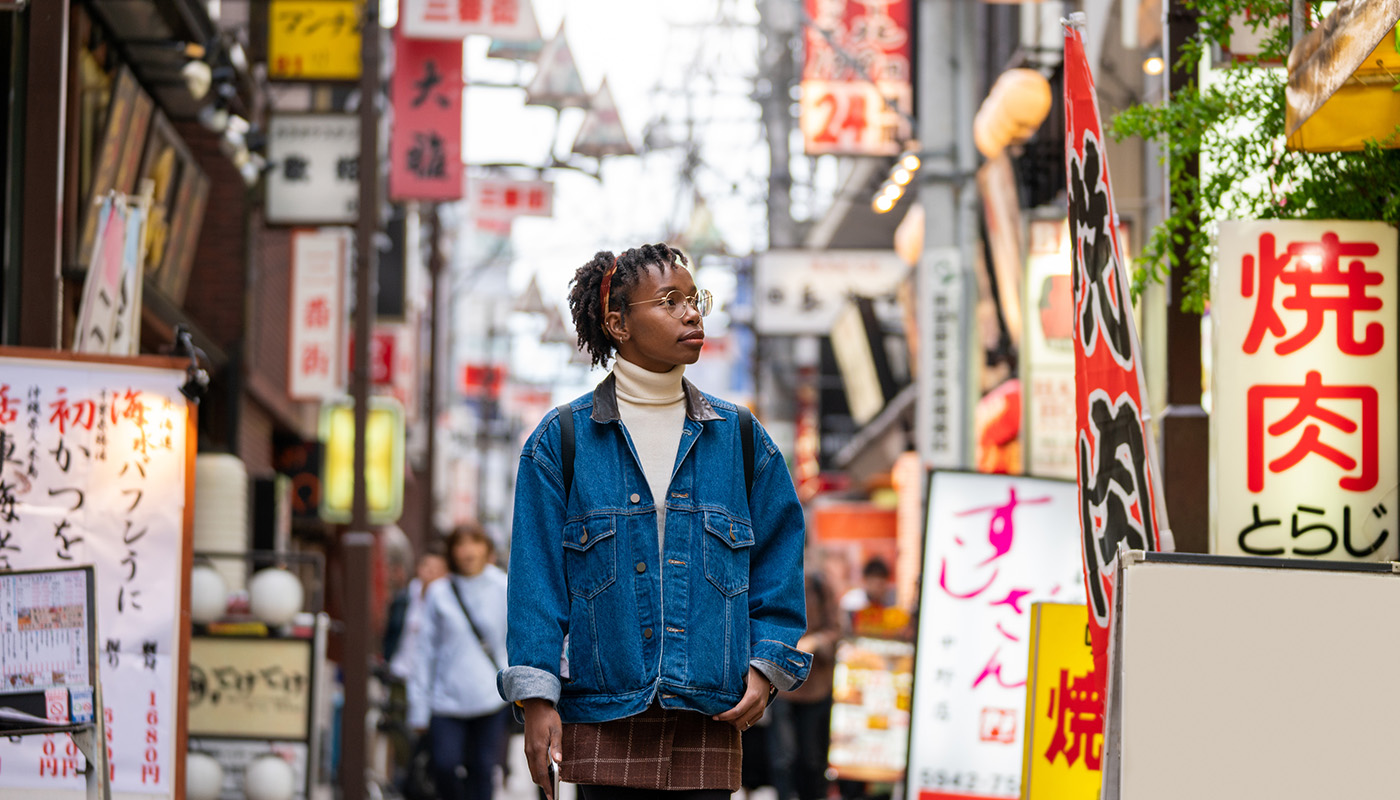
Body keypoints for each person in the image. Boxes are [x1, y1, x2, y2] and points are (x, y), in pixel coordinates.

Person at [498, 243, 812, 800]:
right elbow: (535, 582)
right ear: (618, 322)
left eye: (695, 299)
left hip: (710, 714)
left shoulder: (739, 438)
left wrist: (768, 667)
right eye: (670, 301)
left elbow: (779, 563)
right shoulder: (561, 441)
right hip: (603, 713)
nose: (692, 313)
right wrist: (538, 697)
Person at [409, 523, 509, 800]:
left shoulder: (503, 586)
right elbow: (424, 651)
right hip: (446, 698)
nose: (468, 551)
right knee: (443, 765)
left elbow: (515, 639)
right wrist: (418, 707)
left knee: (483, 769)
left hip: (490, 696)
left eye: (475, 542)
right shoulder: (439, 592)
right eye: (460, 544)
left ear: (486, 548)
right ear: (452, 551)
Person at [766, 565, 842, 800]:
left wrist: (815, 642)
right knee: (783, 758)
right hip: (780, 685)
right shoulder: (775, 578)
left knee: (812, 758)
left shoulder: (820, 583)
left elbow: (836, 630)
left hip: (816, 686)